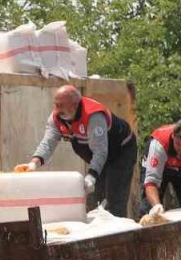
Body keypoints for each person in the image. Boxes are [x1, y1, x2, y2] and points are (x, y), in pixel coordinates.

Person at [16, 85, 137, 217]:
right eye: (56, 104)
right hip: (98, 154)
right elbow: (48, 143)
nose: (57, 109)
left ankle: (119, 234)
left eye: (61, 105)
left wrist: (91, 176)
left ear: (75, 104)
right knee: (94, 203)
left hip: (121, 151)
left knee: (114, 202)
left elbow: (100, 151)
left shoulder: (93, 116)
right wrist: (33, 164)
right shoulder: (56, 118)